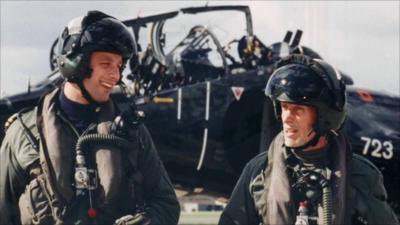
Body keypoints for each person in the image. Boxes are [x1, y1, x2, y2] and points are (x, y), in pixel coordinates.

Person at [0, 10, 180, 225]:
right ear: (76, 64)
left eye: (119, 66)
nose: (115, 76)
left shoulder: (130, 130)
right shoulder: (23, 133)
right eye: (106, 64)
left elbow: (166, 204)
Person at [218, 54, 399, 225]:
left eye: (297, 110)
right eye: (284, 107)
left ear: (324, 116)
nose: (286, 117)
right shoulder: (258, 171)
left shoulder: (361, 176)